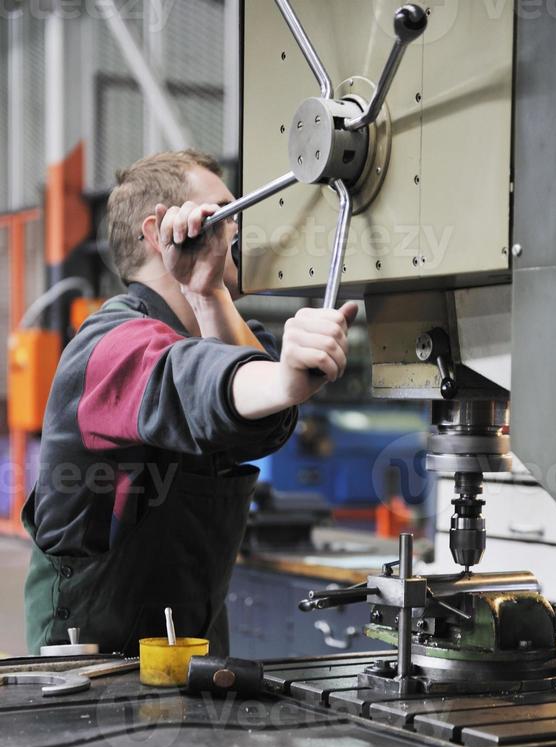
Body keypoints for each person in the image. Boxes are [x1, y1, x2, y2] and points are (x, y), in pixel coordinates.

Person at [23, 149, 356, 656]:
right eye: (224, 211)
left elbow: (261, 422)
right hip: (94, 657)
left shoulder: (221, 329)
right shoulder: (112, 346)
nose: (240, 227)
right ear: (162, 234)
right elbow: (195, 382)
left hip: (189, 645)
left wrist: (208, 294)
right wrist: (288, 378)